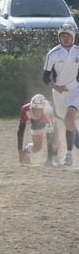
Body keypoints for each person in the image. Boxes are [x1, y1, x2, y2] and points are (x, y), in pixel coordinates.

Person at [43, 24, 79, 166]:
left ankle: (68, 154)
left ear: (73, 37)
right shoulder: (53, 54)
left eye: (68, 35)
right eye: (63, 35)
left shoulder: (77, 52)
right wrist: (55, 87)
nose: (65, 38)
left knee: (70, 119)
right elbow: (45, 77)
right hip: (59, 93)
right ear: (59, 37)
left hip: (75, 90)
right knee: (69, 124)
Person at [17, 94, 60, 167]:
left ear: (43, 108)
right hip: (36, 121)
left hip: (50, 119)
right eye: (34, 109)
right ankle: (26, 151)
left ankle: (54, 156)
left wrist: (49, 160)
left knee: (55, 139)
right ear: (31, 107)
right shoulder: (25, 109)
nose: (37, 112)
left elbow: (50, 135)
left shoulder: (49, 112)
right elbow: (21, 130)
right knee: (37, 147)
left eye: (40, 110)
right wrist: (20, 150)